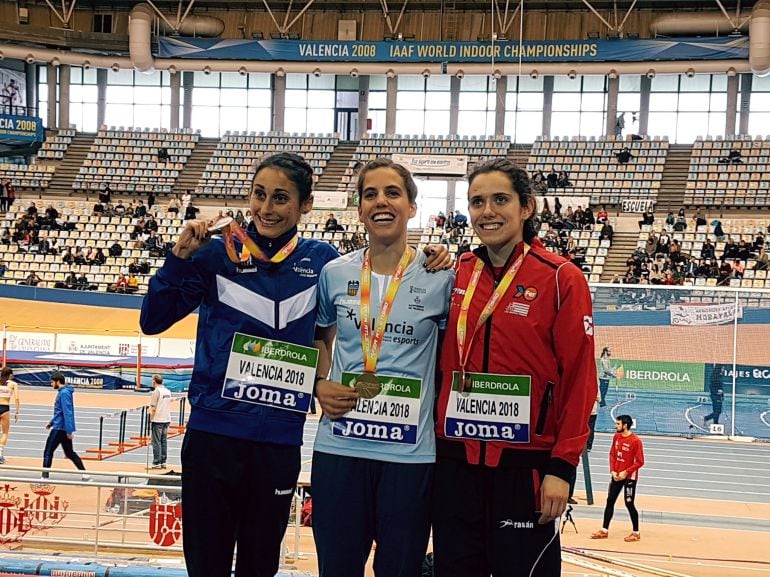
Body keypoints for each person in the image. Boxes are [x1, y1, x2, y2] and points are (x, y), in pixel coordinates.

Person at [140, 152, 448, 577]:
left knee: (260, 565)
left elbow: (360, 292)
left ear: (306, 205)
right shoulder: (216, 254)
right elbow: (152, 321)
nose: (267, 208)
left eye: (281, 198)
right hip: (214, 436)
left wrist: (436, 253)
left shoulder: (323, 262)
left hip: (278, 443)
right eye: (259, 195)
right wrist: (177, 259)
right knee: (206, 566)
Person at [432, 158, 597, 577]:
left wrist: (562, 466)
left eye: (499, 200)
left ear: (527, 207)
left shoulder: (562, 278)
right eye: (477, 202)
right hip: (455, 463)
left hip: (526, 468)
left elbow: (580, 378)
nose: (486, 211)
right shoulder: (456, 273)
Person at [312, 157, 454, 577]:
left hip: (409, 457)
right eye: (370, 194)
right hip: (340, 447)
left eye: (392, 193)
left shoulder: (441, 276)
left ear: (412, 206)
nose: (381, 202)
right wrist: (319, 383)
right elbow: (319, 336)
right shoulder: (334, 272)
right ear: (359, 209)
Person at [591, 414, 645, 542]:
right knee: (610, 501)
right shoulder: (616, 437)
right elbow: (612, 454)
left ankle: (636, 533)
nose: (616, 426)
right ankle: (604, 530)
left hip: (629, 477)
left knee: (629, 503)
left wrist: (626, 472)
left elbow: (640, 461)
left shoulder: (635, 441)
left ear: (625, 426)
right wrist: (613, 470)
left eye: (618, 424)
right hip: (616, 476)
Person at [42, 372, 89, 481]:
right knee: (69, 453)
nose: (51, 384)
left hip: (60, 428)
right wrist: (52, 422)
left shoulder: (64, 393)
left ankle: (44, 477)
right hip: (60, 426)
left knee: (48, 451)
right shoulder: (63, 392)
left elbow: (67, 412)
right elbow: (60, 412)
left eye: (52, 382)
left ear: (57, 381)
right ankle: (85, 474)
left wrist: (69, 431)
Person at [149, 374, 172, 469]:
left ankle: (157, 462)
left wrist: (151, 418)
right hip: (166, 419)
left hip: (158, 419)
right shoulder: (168, 391)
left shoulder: (156, 391)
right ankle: (163, 462)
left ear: (154, 381)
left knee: (156, 441)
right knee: (163, 441)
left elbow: (153, 406)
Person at [0, 368, 21, 464]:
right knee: (5, 432)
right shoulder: (13, 384)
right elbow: (17, 398)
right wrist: (17, 412)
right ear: (10, 375)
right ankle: (0, 454)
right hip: (5, 409)